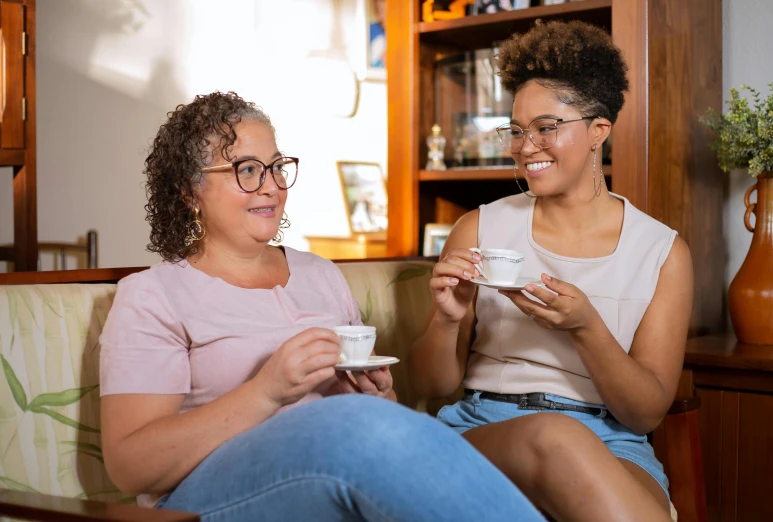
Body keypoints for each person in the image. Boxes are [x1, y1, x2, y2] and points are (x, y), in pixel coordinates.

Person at [98, 91, 546, 522]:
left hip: (326, 478)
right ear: (187, 191)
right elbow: (131, 466)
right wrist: (265, 392)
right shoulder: (154, 295)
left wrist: (377, 396)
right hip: (201, 500)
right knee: (358, 428)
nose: (271, 187)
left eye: (277, 168)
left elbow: (373, 420)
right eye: (248, 170)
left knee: (399, 426)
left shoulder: (321, 274)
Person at [410, 20, 693, 522]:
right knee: (553, 434)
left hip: (612, 439)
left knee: (579, 452)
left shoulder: (662, 252)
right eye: (517, 130)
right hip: (483, 426)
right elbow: (432, 385)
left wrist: (587, 329)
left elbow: (646, 413)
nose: (524, 146)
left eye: (546, 127)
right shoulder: (478, 227)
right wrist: (448, 318)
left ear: (598, 131)